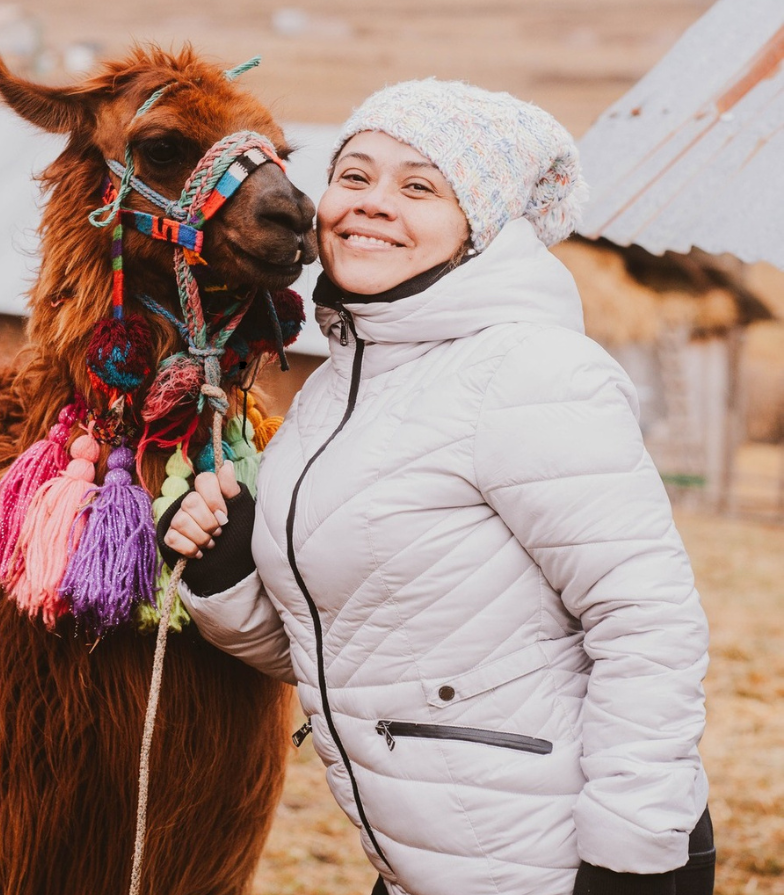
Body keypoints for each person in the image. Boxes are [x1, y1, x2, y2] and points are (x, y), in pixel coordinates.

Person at [159, 79, 715, 895]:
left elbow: (647, 620)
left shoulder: (527, 370)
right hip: (429, 867)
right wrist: (229, 577)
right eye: (355, 176)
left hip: (563, 871)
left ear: (478, 226)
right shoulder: (334, 395)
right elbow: (351, 657)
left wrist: (630, 853)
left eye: (419, 186)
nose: (373, 204)